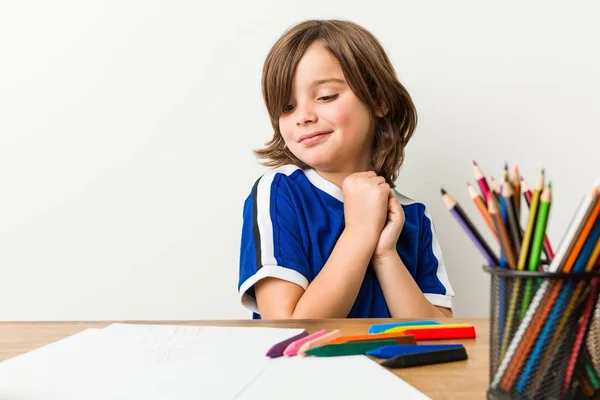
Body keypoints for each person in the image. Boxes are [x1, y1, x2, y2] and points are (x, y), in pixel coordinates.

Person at [237, 19, 454, 319]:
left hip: (392, 368)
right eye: (287, 107)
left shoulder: (413, 215)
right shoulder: (278, 193)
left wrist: (384, 254)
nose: (303, 116)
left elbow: (439, 336)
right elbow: (286, 327)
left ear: (379, 100)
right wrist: (360, 231)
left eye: (325, 96)